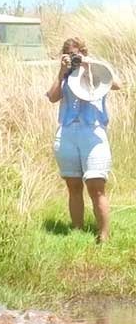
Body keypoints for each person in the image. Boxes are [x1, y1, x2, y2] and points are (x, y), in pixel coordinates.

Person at [47, 37, 121, 244]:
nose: (74, 58)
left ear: (84, 52)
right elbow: (53, 97)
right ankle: (77, 230)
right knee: (73, 185)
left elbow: (117, 84)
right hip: (68, 132)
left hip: (93, 132)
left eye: (77, 53)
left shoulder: (96, 70)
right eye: (70, 54)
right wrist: (61, 72)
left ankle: (104, 235)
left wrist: (90, 63)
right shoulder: (65, 75)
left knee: (96, 185)